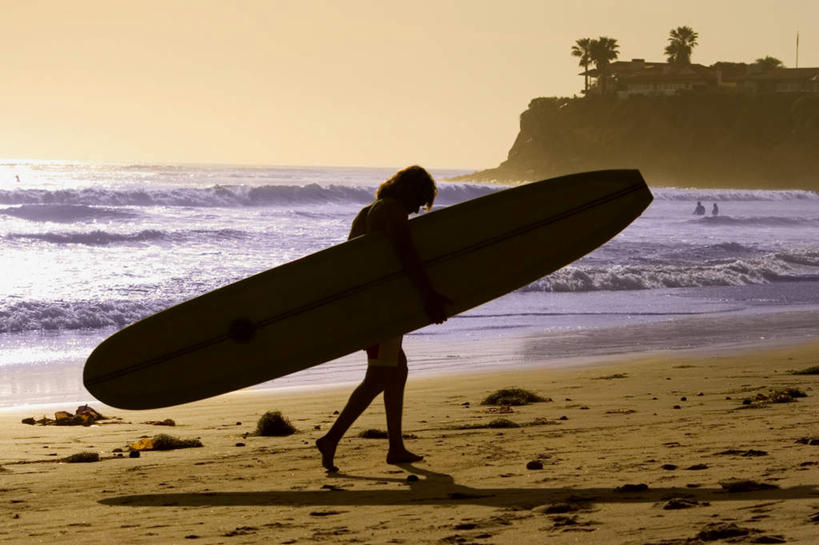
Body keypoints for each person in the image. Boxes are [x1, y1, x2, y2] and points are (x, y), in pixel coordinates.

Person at [316, 165, 449, 472]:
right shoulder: (392, 211)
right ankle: (331, 438)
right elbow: (407, 256)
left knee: (397, 371)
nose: (417, 209)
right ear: (410, 191)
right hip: (377, 310)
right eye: (419, 200)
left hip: (366, 306)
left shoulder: (368, 211)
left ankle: (396, 447)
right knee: (378, 377)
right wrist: (429, 297)